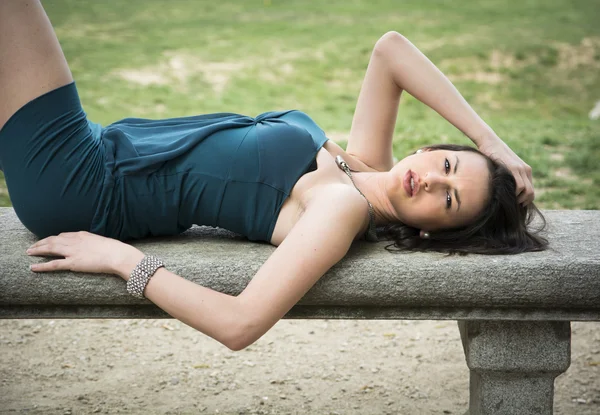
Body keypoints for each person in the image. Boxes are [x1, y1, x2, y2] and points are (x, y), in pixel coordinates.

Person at [0, 1, 546, 350]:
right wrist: (488, 141)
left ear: (431, 232)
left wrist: (123, 261)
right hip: (100, 147)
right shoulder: (367, 168)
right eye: (446, 166)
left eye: (448, 201)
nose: (431, 182)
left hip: (84, 185)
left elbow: (239, 324)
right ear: (429, 148)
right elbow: (391, 51)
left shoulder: (343, 206)